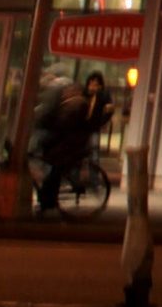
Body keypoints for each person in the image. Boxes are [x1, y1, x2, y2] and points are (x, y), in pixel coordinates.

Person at [36, 72, 112, 215]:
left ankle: (47, 201)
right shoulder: (76, 103)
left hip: (70, 144)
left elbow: (65, 125)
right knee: (53, 169)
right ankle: (48, 200)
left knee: (54, 170)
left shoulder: (78, 104)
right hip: (70, 142)